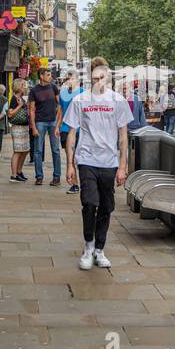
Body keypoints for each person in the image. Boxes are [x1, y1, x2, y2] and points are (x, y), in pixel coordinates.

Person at [63, 58, 131, 270]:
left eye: (102, 77)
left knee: (106, 207)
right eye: (95, 78)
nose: (99, 81)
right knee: (89, 203)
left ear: (108, 76)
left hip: (109, 162)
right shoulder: (80, 100)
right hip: (87, 160)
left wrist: (122, 166)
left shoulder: (117, 101)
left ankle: (100, 249)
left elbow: (123, 136)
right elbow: (71, 134)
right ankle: (89, 246)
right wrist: (69, 164)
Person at [28, 68, 62, 186]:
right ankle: (39, 177)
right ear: (41, 76)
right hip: (40, 122)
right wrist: (34, 127)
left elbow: (60, 105)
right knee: (38, 151)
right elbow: (31, 110)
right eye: (48, 75)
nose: (50, 77)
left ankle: (57, 177)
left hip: (53, 122)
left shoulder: (53, 87)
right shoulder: (34, 91)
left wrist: (58, 123)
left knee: (56, 150)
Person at [59, 72, 84, 194]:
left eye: (72, 79)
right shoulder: (63, 94)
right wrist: (57, 126)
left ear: (77, 80)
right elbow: (60, 110)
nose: (70, 81)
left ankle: (85, 182)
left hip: (80, 129)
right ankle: (75, 184)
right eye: (68, 79)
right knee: (71, 157)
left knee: (79, 158)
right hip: (65, 129)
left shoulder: (83, 93)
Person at [7, 79, 31, 182]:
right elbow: (10, 113)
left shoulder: (21, 97)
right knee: (17, 151)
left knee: (25, 150)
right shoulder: (14, 99)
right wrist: (20, 106)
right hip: (17, 127)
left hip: (24, 126)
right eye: (23, 85)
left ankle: (19, 171)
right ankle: (14, 175)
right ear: (19, 86)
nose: (24, 87)